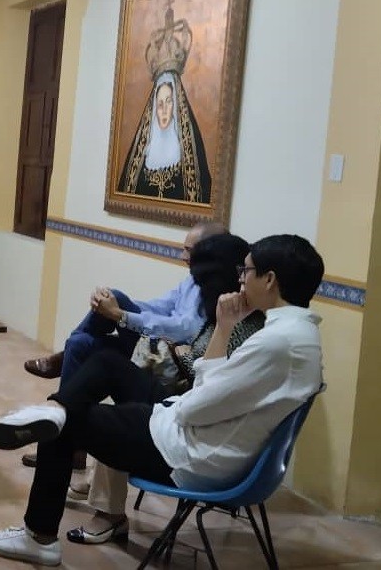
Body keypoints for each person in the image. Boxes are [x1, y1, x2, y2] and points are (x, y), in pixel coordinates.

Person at [0, 234, 324, 566]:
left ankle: (38, 537)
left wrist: (168, 404)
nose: (241, 280)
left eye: (246, 271)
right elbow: (206, 392)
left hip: (187, 454)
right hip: (194, 433)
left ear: (269, 280)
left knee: (65, 425)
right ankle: (53, 408)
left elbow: (195, 405)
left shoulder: (274, 343)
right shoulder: (298, 334)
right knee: (107, 364)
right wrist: (223, 326)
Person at [62, 233, 266, 545]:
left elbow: (208, 383)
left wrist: (186, 352)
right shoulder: (222, 306)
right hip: (185, 396)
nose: (242, 280)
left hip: (192, 413)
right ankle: (59, 411)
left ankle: (105, 507)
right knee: (103, 359)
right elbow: (164, 313)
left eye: (247, 273)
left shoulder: (243, 324)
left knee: (116, 414)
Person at [24, 221, 227, 382]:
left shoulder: (218, 289)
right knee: (79, 344)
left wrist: (122, 315)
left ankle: (59, 359)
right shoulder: (192, 279)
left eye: (189, 250)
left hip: (165, 354)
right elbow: (161, 306)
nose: (183, 256)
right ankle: (62, 412)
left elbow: (185, 330)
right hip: (152, 340)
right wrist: (117, 306)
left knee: (116, 297)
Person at [116, 0, 211, 203]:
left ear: (177, 107)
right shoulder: (139, 160)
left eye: (169, 102)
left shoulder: (192, 159)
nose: (164, 110)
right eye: (159, 104)